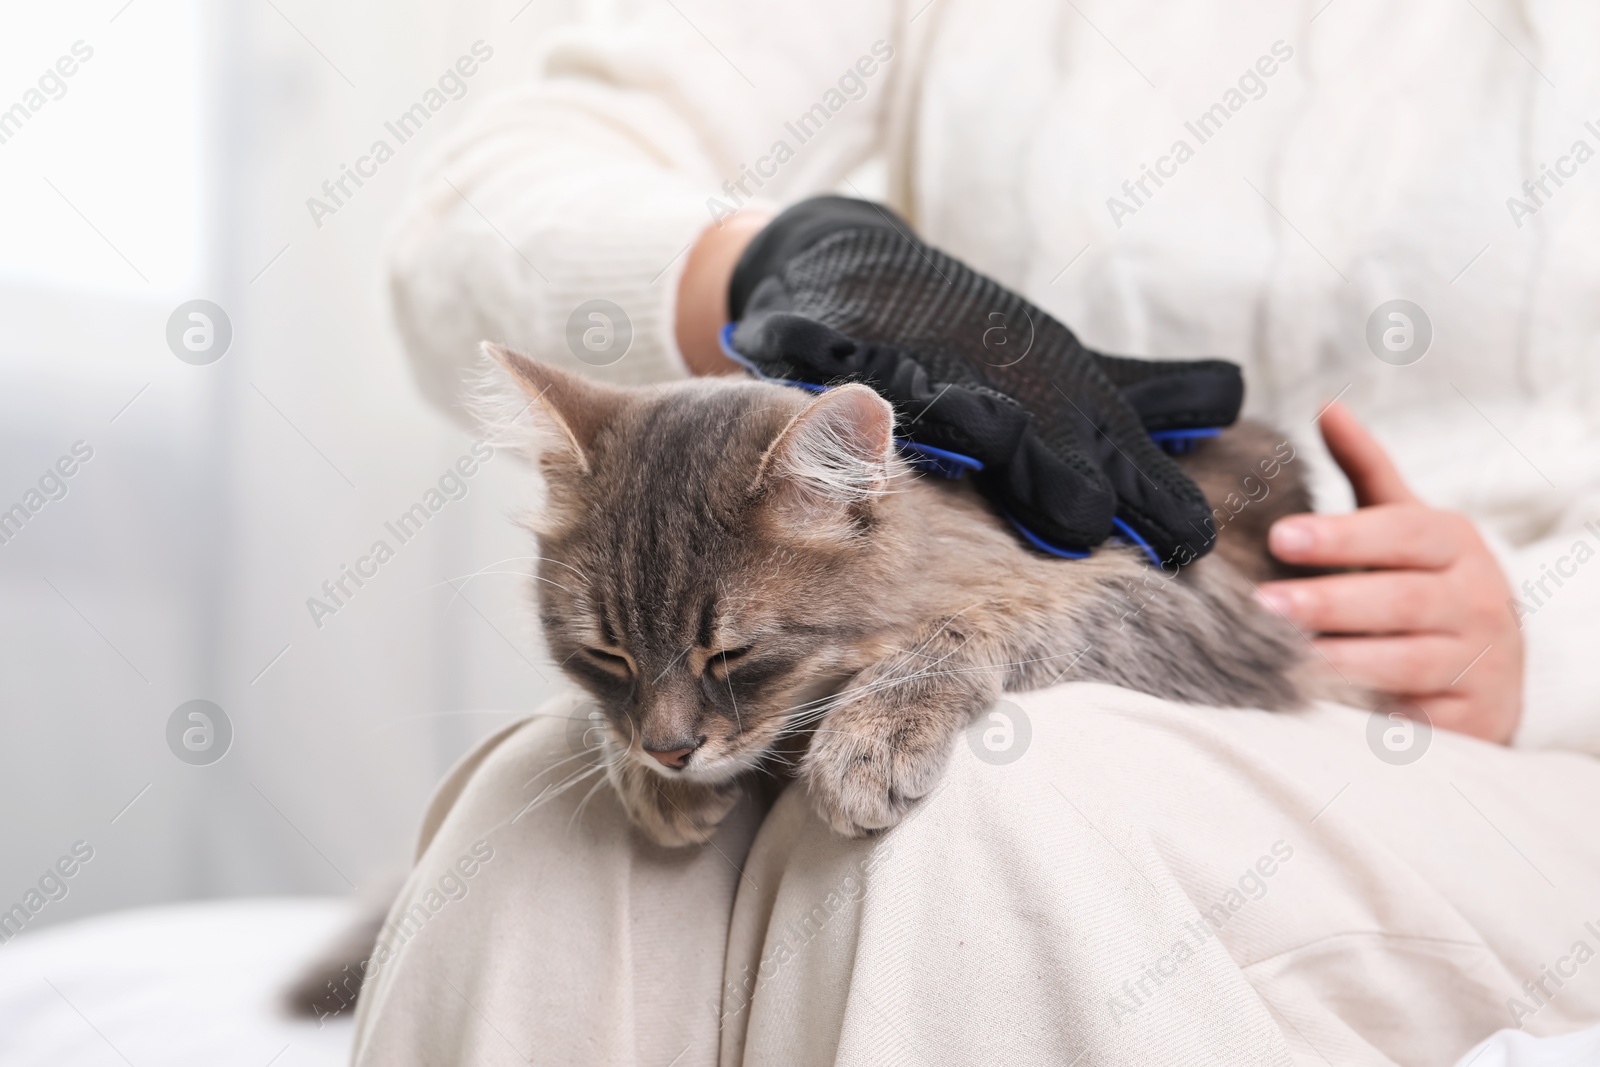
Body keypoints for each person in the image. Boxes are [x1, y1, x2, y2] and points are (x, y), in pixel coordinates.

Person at [352, 3, 1600, 1063]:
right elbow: (466, 227)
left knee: (984, 811)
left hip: (1498, 743)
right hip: (902, 593)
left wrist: (1537, 638)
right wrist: (766, 263)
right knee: (538, 826)